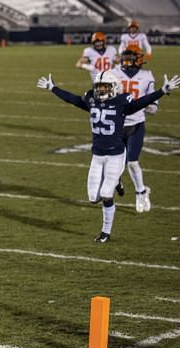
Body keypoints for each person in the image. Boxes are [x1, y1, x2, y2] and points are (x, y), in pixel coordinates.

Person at [36, 71, 179, 242]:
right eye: (99, 87)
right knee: (93, 198)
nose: (101, 90)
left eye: (105, 87)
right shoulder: (91, 99)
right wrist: (53, 88)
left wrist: (163, 90)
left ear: (114, 87)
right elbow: (72, 99)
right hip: (97, 156)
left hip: (115, 155)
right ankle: (117, 180)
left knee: (106, 194)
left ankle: (105, 232)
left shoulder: (122, 102)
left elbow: (142, 102)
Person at [111, 44, 157, 212]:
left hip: (136, 124)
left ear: (138, 59)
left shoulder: (146, 75)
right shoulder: (114, 73)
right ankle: (116, 182)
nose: (127, 60)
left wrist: (152, 106)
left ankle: (141, 192)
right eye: (126, 57)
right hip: (117, 125)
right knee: (115, 164)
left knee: (132, 162)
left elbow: (153, 102)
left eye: (131, 57)